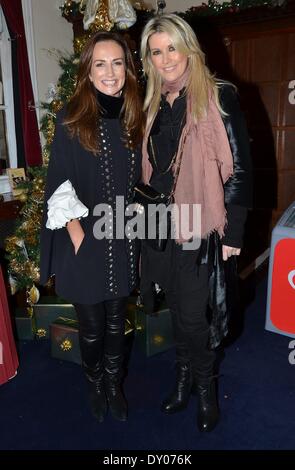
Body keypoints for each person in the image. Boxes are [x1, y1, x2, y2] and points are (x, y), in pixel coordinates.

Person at [139, 13, 252, 432]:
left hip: (199, 222)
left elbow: (239, 168)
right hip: (160, 224)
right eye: (156, 51)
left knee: (191, 316)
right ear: (148, 60)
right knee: (176, 309)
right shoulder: (153, 105)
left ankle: (204, 389)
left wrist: (233, 232)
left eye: (172, 47)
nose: (166, 58)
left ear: (188, 47)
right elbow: (150, 173)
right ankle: (183, 379)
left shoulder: (218, 96)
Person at [40, 31, 144, 423]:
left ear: (127, 69)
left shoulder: (136, 116)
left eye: (117, 62)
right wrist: (78, 236)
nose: (110, 72)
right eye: (100, 63)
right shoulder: (73, 118)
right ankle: (95, 382)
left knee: (118, 321)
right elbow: (59, 183)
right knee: (93, 326)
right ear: (88, 71)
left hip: (124, 238)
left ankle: (114, 383)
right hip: (83, 239)